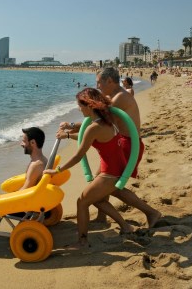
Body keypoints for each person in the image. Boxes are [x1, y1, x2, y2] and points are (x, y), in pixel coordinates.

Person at [60, 67, 161, 228]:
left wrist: (71, 126)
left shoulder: (119, 98)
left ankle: (151, 212)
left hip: (128, 144)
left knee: (110, 186)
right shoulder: (111, 96)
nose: (97, 85)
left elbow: (99, 120)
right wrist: (71, 129)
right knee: (102, 181)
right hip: (119, 142)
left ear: (109, 81)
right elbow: (95, 122)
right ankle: (102, 217)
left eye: (99, 82)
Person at [44, 88, 136, 249]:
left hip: (110, 172)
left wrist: (57, 170)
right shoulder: (106, 119)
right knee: (97, 199)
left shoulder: (94, 127)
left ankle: (82, 241)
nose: (79, 109)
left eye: (80, 105)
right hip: (116, 167)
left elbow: (78, 155)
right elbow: (84, 136)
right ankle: (126, 227)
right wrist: (67, 132)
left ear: (89, 106)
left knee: (82, 202)